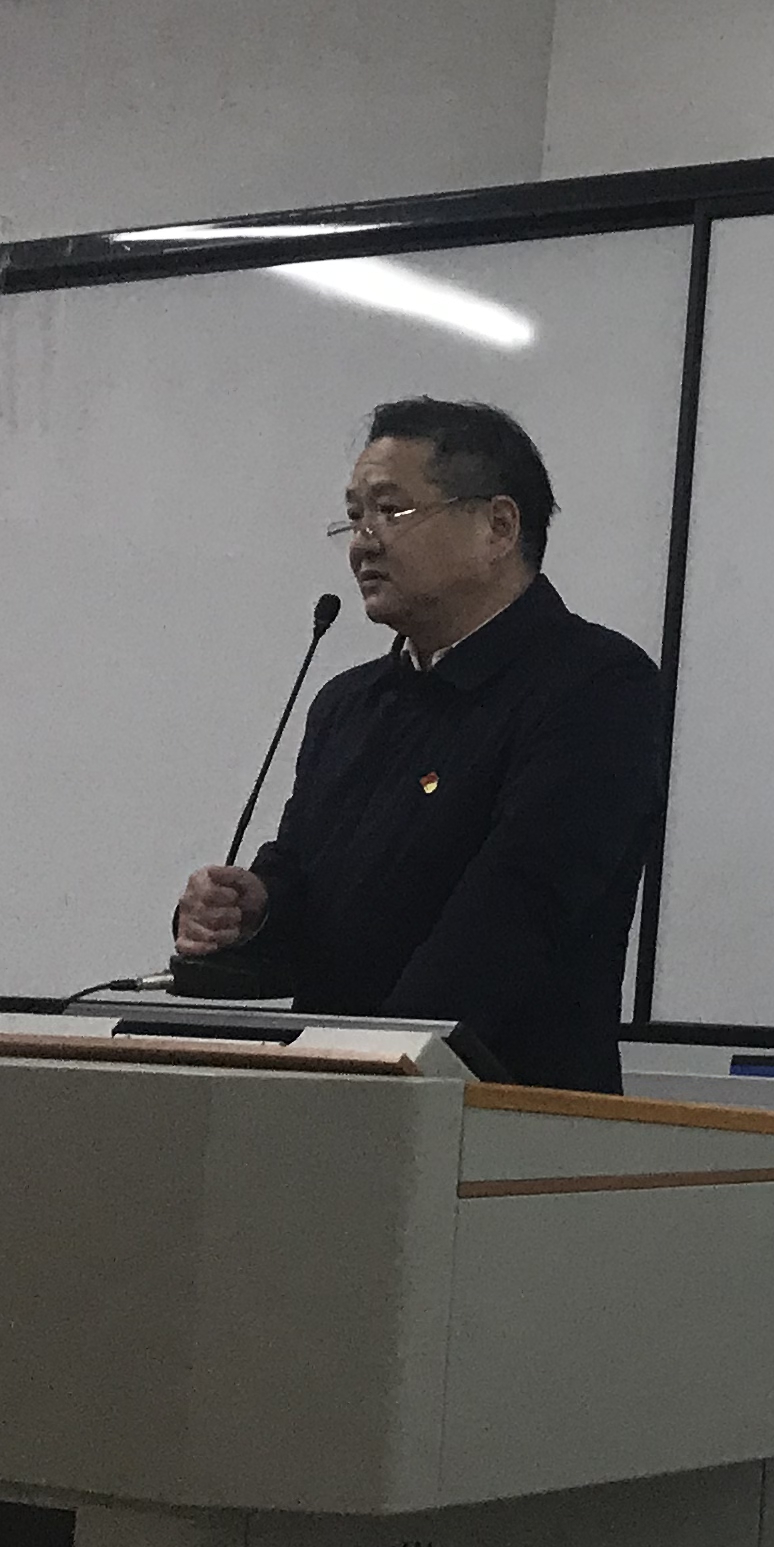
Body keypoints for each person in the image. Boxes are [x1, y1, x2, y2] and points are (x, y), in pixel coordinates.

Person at [170, 398, 665, 1091]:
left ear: (498, 527)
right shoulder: (348, 705)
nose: (363, 542)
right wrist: (250, 913)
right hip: (335, 1102)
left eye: (390, 510)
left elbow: (516, 918)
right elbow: (306, 901)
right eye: (354, 517)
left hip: (508, 1117)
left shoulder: (595, 686)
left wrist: (371, 1067)